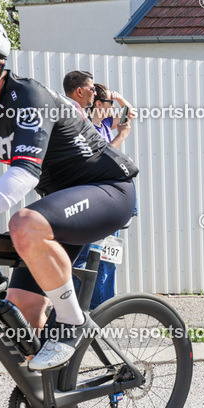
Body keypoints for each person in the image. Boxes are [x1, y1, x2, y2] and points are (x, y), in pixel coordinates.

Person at [0, 16, 139, 408]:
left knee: (24, 223)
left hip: (106, 190)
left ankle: (72, 322)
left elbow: (24, 175)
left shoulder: (28, 95)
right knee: (21, 307)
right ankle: (46, 403)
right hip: (59, 205)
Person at [71, 82, 137, 309]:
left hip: (111, 198)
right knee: (88, 257)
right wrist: (122, 137)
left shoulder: (107, 123)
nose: (113, 108)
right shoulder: (87, 126)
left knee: (108, 258)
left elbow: (131, 114)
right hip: (95, 199)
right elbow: (101, 158)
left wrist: (118, 99)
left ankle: (105, 306)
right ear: (98, 104)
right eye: (109, 103)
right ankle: (82, 307)